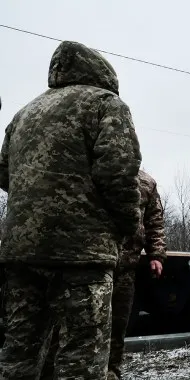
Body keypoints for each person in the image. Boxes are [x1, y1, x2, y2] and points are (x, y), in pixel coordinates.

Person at [0, 40, 142, 379]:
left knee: (19, 352)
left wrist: (37, 207)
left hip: (22, 253)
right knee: (81, 356)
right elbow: (118, 172)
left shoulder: (25, 113)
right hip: (82, 254)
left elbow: (5, 173)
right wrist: (127, 225)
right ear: (102, 73)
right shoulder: (104, 103)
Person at [39, 169, 166, 380]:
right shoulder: (91, 173)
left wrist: (157, 255)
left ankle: (111, 373)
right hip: (88, 266)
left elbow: (155, 223)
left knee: (117, 328)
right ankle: (52, 372)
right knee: (69, 326)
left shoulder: (146, 183)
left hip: (123, 268)